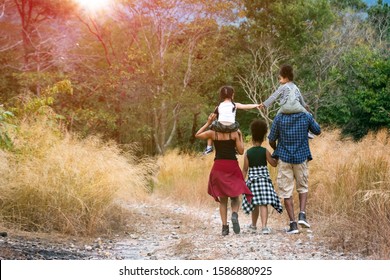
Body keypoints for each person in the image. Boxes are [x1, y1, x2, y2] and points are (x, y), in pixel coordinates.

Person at [196, 112, 253, 236]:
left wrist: (208, 123)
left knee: (223, 200)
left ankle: (224, 227)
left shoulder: (213, 133)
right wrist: (240, 136)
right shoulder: (234, 133)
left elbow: (197, 135)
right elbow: (241, 151)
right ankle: (234, 214)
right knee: (235, 196)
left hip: (219, 166)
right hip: (232, 165)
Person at [268, 110, 321, 234]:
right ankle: (302, 214)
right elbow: (317, 130)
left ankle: (293, 224)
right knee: (302, 187)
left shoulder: (279, 117)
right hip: (301, 157)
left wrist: (278, 150)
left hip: (284, 159)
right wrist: (309, 116)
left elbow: (271, 139)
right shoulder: (306, 116)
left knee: (286, 191)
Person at [241, 120, 283, 235]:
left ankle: (253, 226)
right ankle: (264, 227)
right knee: (263, 203)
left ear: (253, 136)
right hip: (264, 181)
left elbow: (245, 169)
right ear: (264, 136)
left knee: (254, 203)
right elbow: (274, 164)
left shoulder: (248, 153)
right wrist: (277, 154)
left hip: (253, 182)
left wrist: (241, 182)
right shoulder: (265, 151)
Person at [259, 65, 314, 139]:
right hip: (297, 108)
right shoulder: (296, 87)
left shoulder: (283, 87)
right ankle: (307, 132)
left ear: (286, 78)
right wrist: (306, 107)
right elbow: (301, 100)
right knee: (308, 115)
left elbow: (274, 96)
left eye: (280, 78)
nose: (279, 81)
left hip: (284, 109)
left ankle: (274, 133)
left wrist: (264, 104)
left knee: (277, 118)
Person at [203, 86, 260, 155]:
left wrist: (211, 122)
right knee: (238, 133)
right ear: (232, 95)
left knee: (211, 128)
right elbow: (245, 106)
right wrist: (256, 105)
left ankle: (209, 147)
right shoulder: (234, 105)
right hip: (232, 127)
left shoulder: (218, 106)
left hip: (221, 126)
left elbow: (213, 117)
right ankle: (236, 148)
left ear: (221, 95)